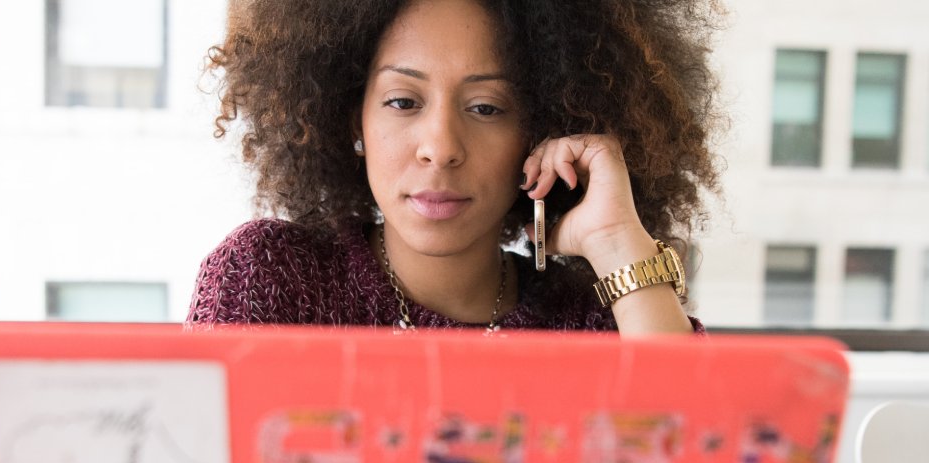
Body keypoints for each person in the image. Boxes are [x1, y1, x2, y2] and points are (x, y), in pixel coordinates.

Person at [187, 0, 723, 335]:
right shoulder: (273, 279)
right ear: (355, 122)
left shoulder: (593, 323)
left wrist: (615, 240)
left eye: (486, 108)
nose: (440, 147)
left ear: (539, 135)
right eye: (403, 102)